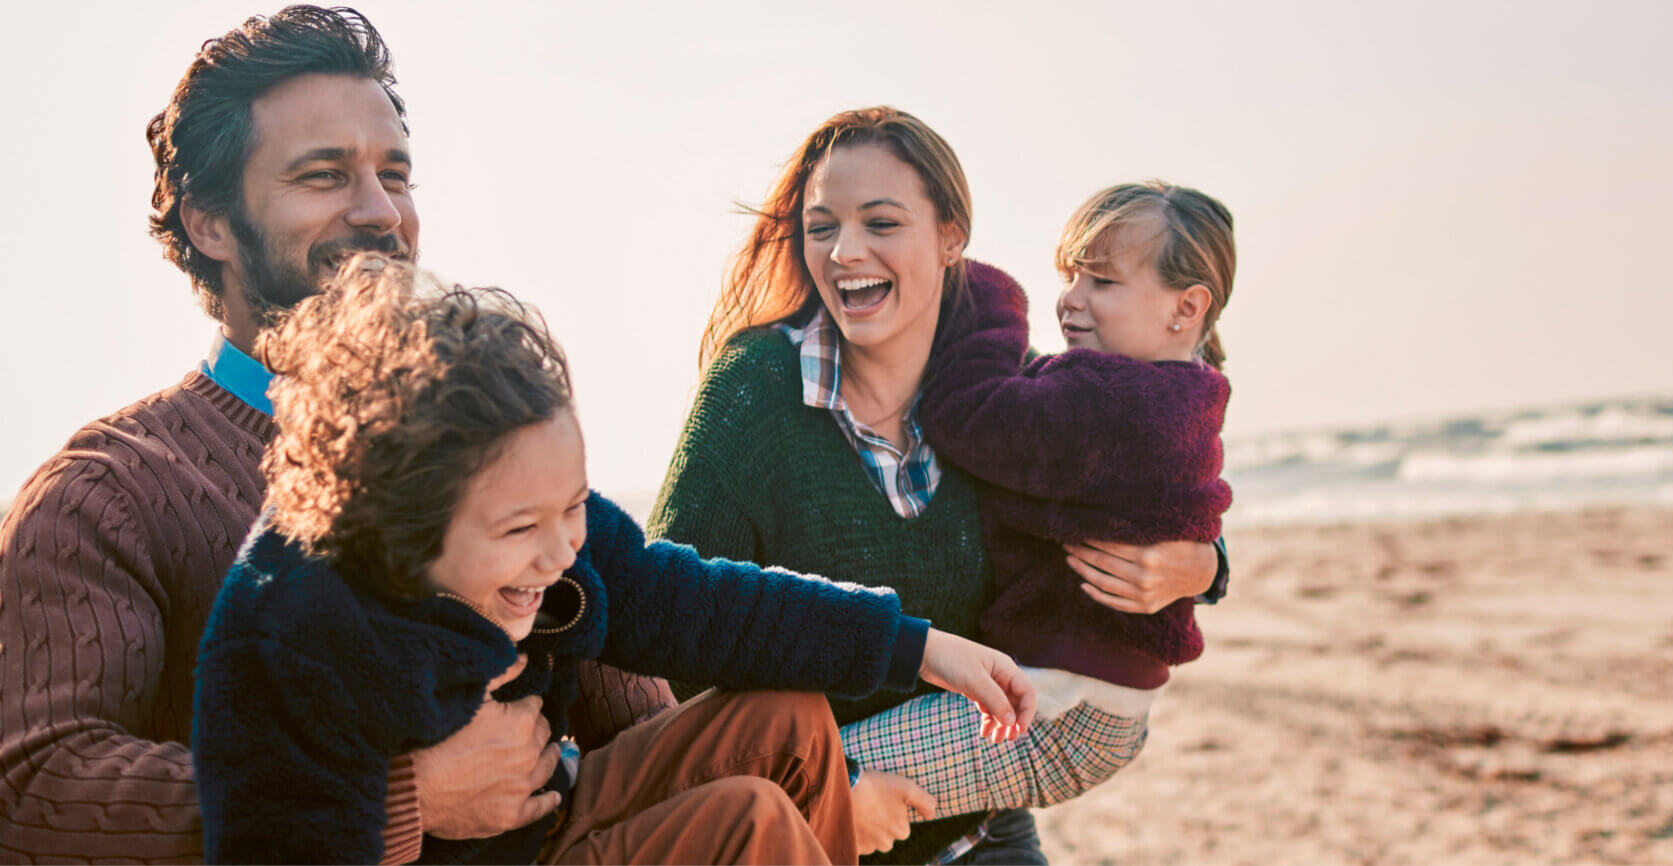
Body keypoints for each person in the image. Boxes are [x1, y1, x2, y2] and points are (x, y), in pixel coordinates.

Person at [0, 8, 675, 863]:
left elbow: (643, 731)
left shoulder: (488, 436)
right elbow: (16, 802)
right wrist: (397, 794)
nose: (381, 212)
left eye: (395, 175)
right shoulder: (107, 492)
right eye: (325, 176)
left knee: (775, 733)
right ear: (209, 223)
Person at [191, 256, 1036, 864]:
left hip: (548, 817)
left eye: (573, 505)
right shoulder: (298, 636)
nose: (563, 548)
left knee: (787, 717)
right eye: (521, 530)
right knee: (749, 824)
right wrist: (412, 800)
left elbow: (695, 603)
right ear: (398, 524)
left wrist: (915, 645)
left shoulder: (535, 517)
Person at [652, 107, 1232, 864]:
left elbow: (1151, 483)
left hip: (983, 834)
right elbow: (667, 621)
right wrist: (833, 791)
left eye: (881, 223)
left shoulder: (1006, 389)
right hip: (811, 839)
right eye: (822, 227)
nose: (845, 251)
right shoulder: (756, 393)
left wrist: (1206, 566)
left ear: (951, 237)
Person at [843, 180, 1241, 819]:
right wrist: (1211, 567)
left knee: (816, 777)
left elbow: (972, 414)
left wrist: (988, 298)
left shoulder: (1113, 401)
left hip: (1062, 702)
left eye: (1102, 282)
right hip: (1095, 697)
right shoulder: (1184, 394)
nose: (1071, 300)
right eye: (1070, 277)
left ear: (1186, 307)